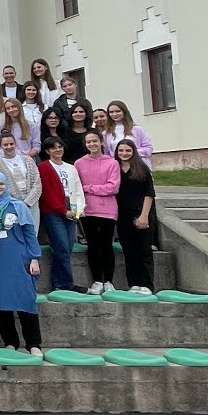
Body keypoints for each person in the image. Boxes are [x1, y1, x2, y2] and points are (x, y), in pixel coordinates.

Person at [0, 171, 44, 356]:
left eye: (1, 183)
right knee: (2, 302)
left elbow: (29, 233)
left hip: (19, 258)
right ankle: (10, 341)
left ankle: (33, 343)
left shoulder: (18, 206)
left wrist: (34, 257)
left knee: (26, 299)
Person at [39, 137, 86, 292]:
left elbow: (77, 189)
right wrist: (63, 211)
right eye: (53, 148)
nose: (58, 150)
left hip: (71, 208)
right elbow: (47, 194)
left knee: (67, 247)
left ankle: (58, 283)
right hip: (53, 211)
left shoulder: (71, 168)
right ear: (48, 151)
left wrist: (79, 210)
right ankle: (67, 284)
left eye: (60, 146)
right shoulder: (44, 167)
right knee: (62, 247)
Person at [76, 132, 121, 294]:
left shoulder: (112, 163)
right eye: (88, 142)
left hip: (107, 210)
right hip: (87, 210)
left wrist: (89, 188)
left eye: (94, 141)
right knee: (93, 246)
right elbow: (77, 186)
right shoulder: (79, 163)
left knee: (106, 245)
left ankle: (108, 281)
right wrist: (92, 190)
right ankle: (97, 281)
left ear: (101, 142)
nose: (92, 144)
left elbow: (113, 187)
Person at [114, 139, 156, 295]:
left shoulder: (142, 169)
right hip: (123, 216)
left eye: (128, 150)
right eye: (121, 150)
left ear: (133, 152)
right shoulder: (115, 169)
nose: (124, 153)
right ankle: (133, 283)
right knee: (129, 251)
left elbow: (149, 194)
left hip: (141, 214)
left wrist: (144, 216)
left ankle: (146, 285)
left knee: (143, 251)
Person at [0, 133, 42, 226]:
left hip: (32, 204)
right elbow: (1, 187)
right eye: (5, 145)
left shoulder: (28, 160)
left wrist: (27, 202)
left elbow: (37, 182)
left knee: (33, 230)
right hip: (12, 205)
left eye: (11, 144)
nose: (9, 147)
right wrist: (17, 203)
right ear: (0, 146)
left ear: (15, 144)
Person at [103, 101, 154, 168]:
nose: (114, 114)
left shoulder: (137, 130)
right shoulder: (106, 133)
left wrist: (132, 153)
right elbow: (106, 153)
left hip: (138, 166)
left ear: (124, 112)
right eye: (111, 112)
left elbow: (148, 149)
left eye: (118, 111)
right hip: (118, 167)